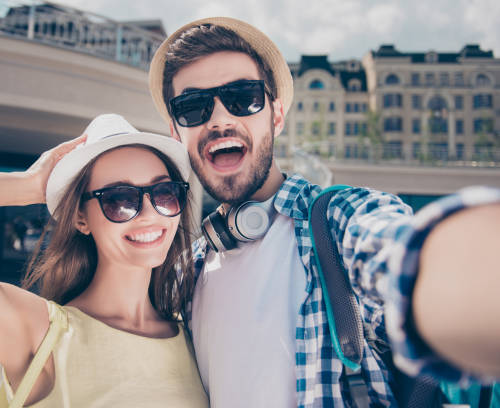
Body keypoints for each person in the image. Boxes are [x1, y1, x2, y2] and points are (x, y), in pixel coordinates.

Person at [147, 17, 500, 406]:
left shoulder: (341, 219)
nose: (219, 120)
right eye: (193, 107)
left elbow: (401, 257)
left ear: (276, 116)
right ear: (176, 133)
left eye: (243, 98)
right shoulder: (187, 275)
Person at [0, 114, 209, 407]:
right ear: (80, 218)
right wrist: (27, 186)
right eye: (120, 199)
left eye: (165, 193)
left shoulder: (197, 338)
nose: (151, 213)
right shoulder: (40, 332)